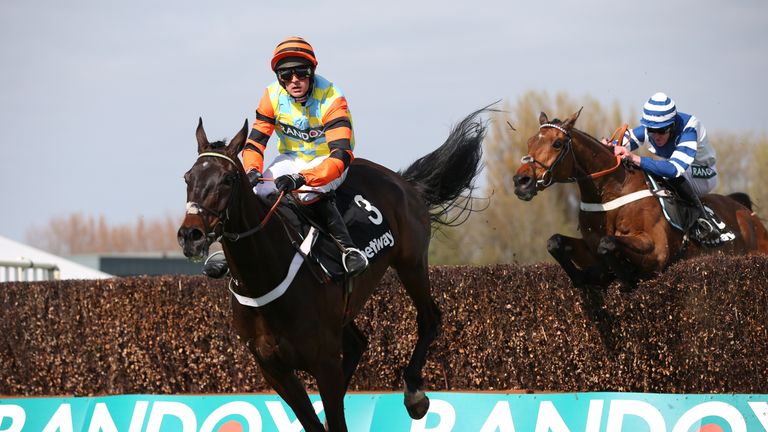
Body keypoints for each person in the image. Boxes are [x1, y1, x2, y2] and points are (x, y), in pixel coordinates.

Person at [203, 36, 369, 279]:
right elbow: (255, 144)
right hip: (291, 157)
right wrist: (252, 170)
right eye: (286, 75)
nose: (294, 81)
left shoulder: (332, 97)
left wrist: (301, 178)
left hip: (329, 160)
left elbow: (340, 155)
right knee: (255, 193)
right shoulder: (271, 96)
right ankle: (227, 252)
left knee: (309, 192)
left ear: (311, 71)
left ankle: (348, 249)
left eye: (301, 73)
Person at [610, 92, 726, 242]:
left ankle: (705, 221)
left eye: (661, 130)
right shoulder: (650, 128)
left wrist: (634, 157)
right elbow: (624, 142)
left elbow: (673, 169)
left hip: (704, 173)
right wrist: (609, 147)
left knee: (668, 174)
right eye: (651, 130)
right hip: (680, 169)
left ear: (672, 125)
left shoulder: (689, 128)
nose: (656, 136)